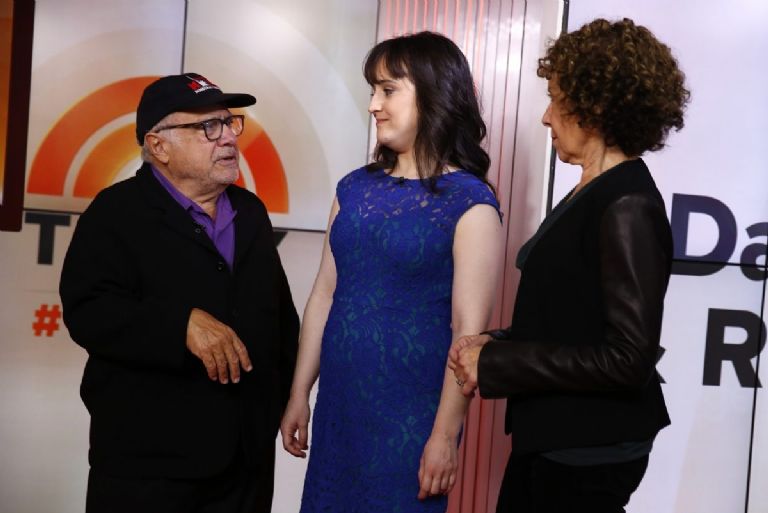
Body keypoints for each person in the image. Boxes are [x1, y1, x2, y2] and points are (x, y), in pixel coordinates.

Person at [449, 18, 690, 513]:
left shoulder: (627, 204)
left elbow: (627, 359)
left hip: (588, 451)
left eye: (557, 100)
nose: (546, 117)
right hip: (559, 440)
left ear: (594, 109)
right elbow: (571, 317)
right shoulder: (595, 190)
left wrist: (499, 364)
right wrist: (496, 342)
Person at [279, 31, 504, 512]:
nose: (373, 106)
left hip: (411, 418)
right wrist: (300, 393)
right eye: (372, 91)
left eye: (388, 90)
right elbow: (324, 295)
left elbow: (467, 332)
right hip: (340, 411)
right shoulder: (353, 189)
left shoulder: (471, 202)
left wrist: (445, 435)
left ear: (434, 94)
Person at [59, 72, 299, 513]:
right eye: (208, 126)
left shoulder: (250, 212)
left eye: (230, 122)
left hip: (246, 464)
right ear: (159, 146)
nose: (228, 137)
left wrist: (285, 401)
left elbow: (280, 319)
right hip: (150, 467)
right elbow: (88, 311)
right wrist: (180, 325)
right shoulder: (115, 213)